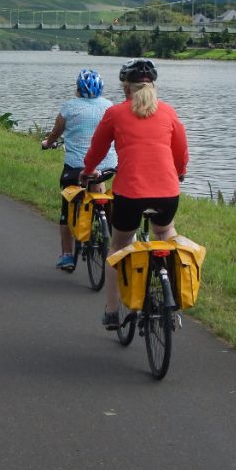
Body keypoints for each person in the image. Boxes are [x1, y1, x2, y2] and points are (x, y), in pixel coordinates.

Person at [80, 59, 189, 330]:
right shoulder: (168, 111)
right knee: (165, 235)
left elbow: (97, 148)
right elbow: (181, 149)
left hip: (130, 193)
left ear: (126, 87)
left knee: (118, 248)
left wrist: (88, 171)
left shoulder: (116, 114)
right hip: (167, 193)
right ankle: (172, 298)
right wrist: (180, 172)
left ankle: (113, 310)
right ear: (152, 86)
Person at [40, 69, 118, 272]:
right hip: (105, 166)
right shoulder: (110, 107)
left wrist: (48, 143)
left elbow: (56, 133)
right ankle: (104, 225)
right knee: (99, 189)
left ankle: (67, 255)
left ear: (77, 88)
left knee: (67, 208)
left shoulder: (69, 107)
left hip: (76, 167)